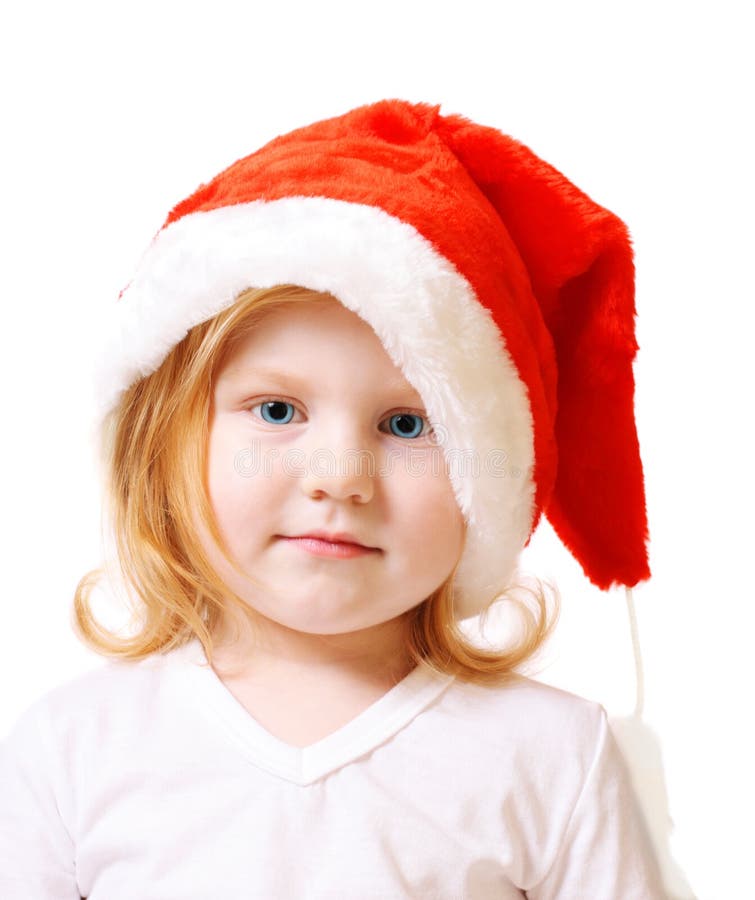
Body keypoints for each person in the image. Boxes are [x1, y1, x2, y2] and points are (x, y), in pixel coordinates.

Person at [0, 99, 667, 898]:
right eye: (277, 410)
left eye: (406, 422)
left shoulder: (551, 755)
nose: (339, 477)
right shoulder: (75, 749)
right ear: (165, 446)